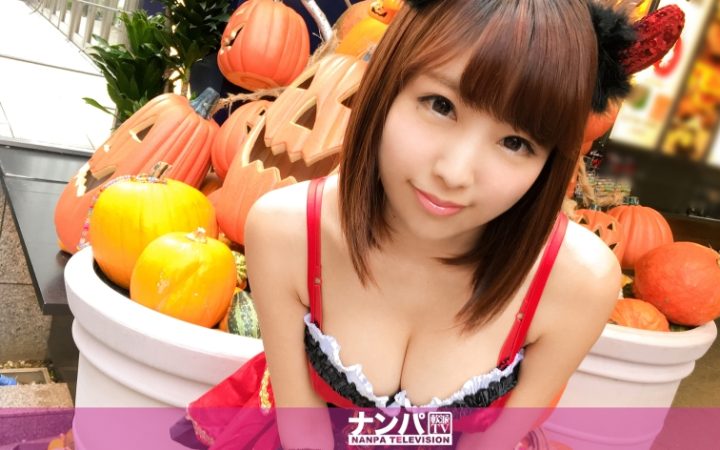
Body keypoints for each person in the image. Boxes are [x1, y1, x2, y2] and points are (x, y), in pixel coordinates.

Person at [172, 1, 684, 449]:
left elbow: (492, 443)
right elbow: (302, 427)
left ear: (551, 160)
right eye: (440, 105)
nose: (455, 173)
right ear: (388, 85)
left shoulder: (576, 282)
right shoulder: (286, 232)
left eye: (515, 143)